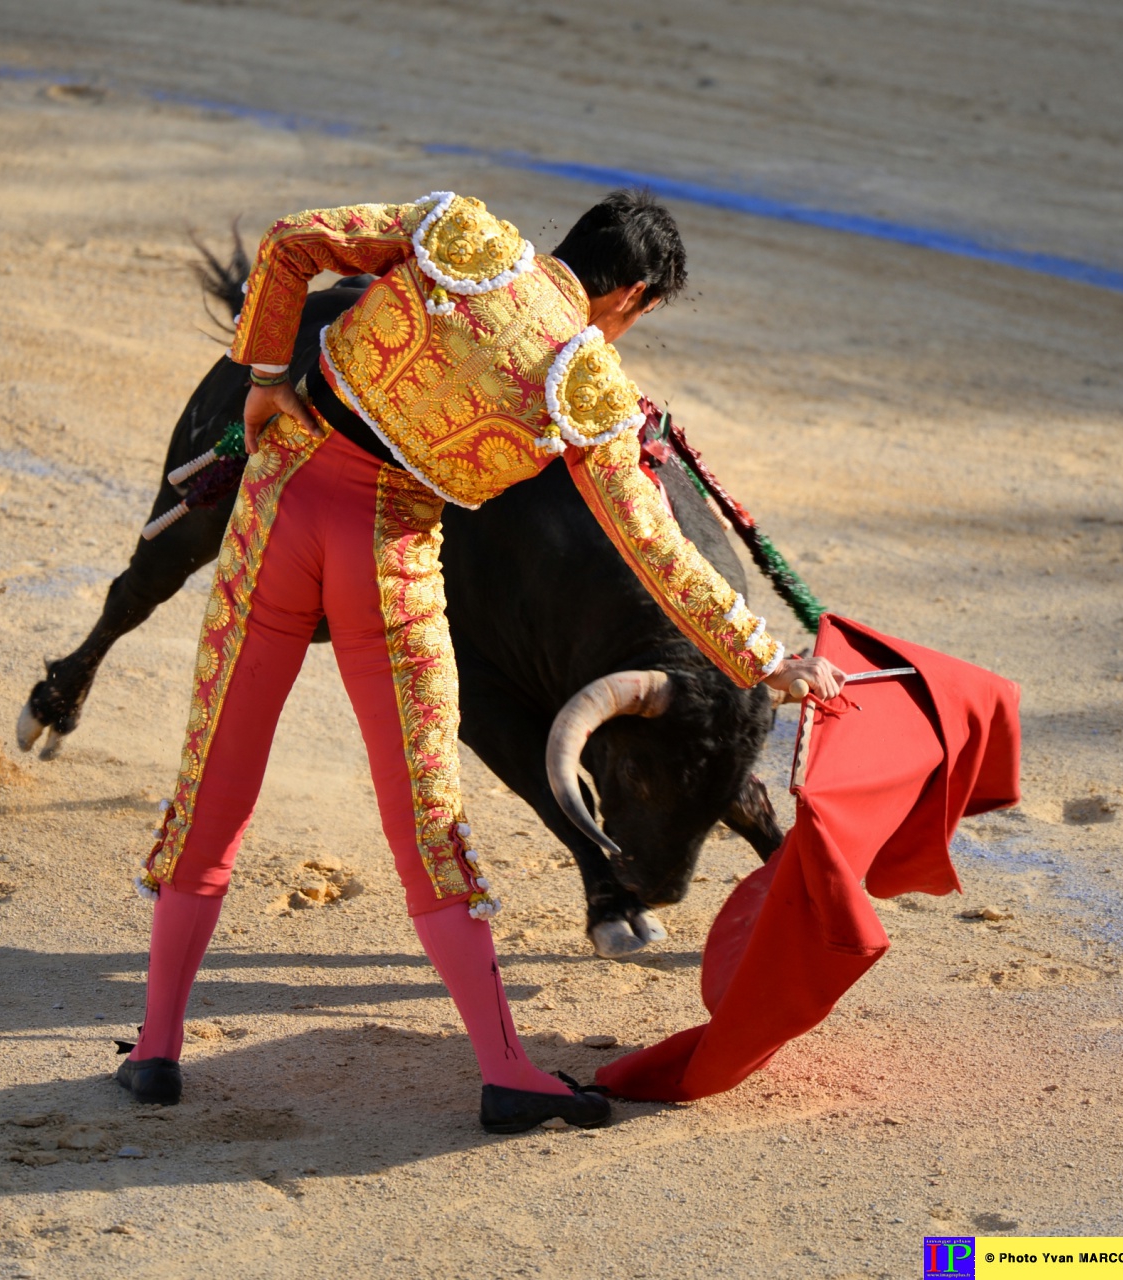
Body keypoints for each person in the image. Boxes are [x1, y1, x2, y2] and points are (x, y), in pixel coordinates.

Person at [118, 188, 844, 1131]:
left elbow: (293, 242)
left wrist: (263, 376)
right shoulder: (586, 385)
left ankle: (159, 1049)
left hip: (280, 509)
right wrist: (766, 657)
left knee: (219, 779)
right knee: (428, 817)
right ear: (629, 297)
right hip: (388, 558)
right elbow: (657, 552)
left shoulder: (456, 230)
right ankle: (506, 1069)